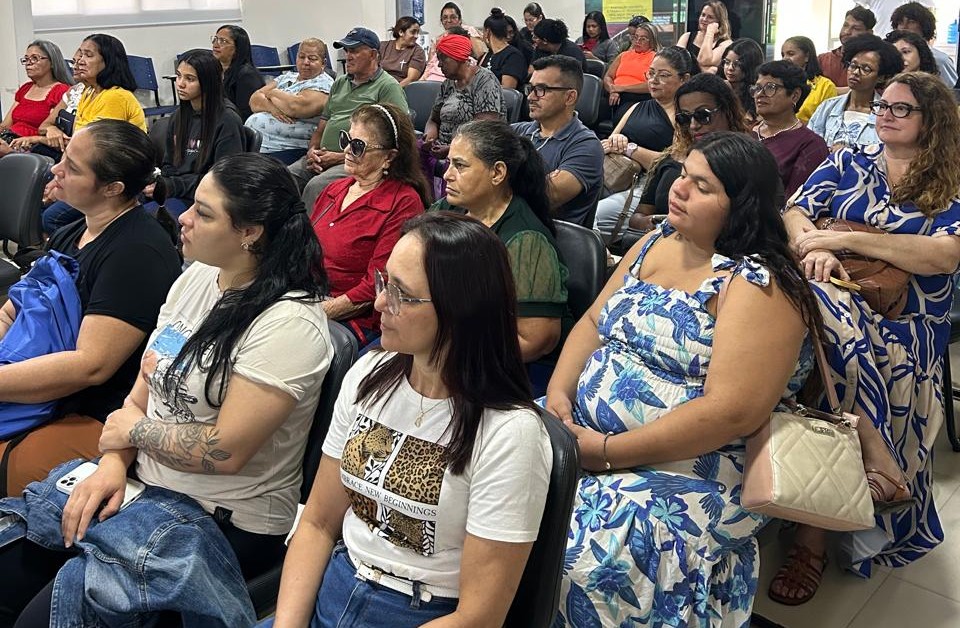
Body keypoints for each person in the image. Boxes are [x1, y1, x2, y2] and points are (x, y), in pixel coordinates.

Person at [0, 151, 332, 626]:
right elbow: (143, 391)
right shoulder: (197, 277)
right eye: (192, 205)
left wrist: (131, 435)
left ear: (250, 232)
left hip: (221, 517)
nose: (184, 219)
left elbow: (224, 451)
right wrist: (113, 464)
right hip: (142, 483)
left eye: (204, 212)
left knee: (46, 615)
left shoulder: (290, 324)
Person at [545, 131, 816, 626]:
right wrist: (559, 397)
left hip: (696, 462)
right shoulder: (656, 241)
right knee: (494, 471)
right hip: (585, 432)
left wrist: (604, 452)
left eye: (702, 186)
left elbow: (732, 411)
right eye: (682, 175)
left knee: (591, 546)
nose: (679, 190)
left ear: (742, 207)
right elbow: (592, 323)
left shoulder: (759, 282)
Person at [268, 211, 551, 628]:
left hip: (420, 612)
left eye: (401, 293)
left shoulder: (511, 433)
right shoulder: (368, 375)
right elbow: (318, 523)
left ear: (460, 310)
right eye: (385, 283)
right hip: (338, 581)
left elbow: (479, 616)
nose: (380, 302)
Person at [774, 71, 960, 605]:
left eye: (901, 109)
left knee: (845, 359)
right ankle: (804, 483)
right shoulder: (848, 161)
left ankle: (812, 537)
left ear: (932, 120)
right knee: (812, 334)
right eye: (883, 104)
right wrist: (814, 244)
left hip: (911, 321)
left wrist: (845, 236)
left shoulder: (949, 182)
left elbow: (943, 255)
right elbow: (794, 210)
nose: (884, 113)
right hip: (831, 293)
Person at [0, 120, 181, 503]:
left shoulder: (137, 252)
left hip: (92, 407)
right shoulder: (73, 231)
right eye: (63, 158)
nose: (55, 169)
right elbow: (13, 311)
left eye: (73, 167)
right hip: (37, 380)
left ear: (113, 189)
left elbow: (91, 366)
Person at [432, 121, 571, 368]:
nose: (447, 174)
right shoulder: (448, 208)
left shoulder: (527, 240)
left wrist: (452, 356)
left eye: (460, 165)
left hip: (501, 365)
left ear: (497, 173)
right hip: (446, 339)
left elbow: (537, 340)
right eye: (449, 163)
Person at [311, 103, 429, 346]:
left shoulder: (403, 202)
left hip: (354, 319)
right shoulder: (334, 190)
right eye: (346, 140)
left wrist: (316, 312)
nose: (346, 150)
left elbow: (378, 285)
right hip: (309, 298)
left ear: (389, 157)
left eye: (358, 146)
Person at [614, 73, 749, 252]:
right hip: (663, 248)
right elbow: (638, 216)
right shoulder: (670, 159)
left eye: (703, 115)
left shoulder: (749, 160)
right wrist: (651, 222)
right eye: (684, 118)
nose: (693, 125)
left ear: (727, 111)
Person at [287, 27, 407, 211]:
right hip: (322, 156)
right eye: (347, 50)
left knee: (316, 187)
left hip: (357, 161)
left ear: (373, 54)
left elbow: (398, 137)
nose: (348, 55)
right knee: (285, 178)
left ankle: (310, 238)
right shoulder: (339, 83)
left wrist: (340, 157)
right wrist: (312, 151)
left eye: (355, 51)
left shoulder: (388, 86)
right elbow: (322, 126)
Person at [594, 47, 694, 238]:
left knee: (595, 217)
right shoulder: (637, 107)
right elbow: (606, 144)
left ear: (684, 79)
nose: (654, 80)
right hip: (612, 175)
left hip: (644, 186)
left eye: (663, 75)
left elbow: (671, 165)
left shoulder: (684, 117)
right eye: (651, 73)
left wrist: (630, 149)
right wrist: (615, 141)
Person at [12, 34, 145, 162]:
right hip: (89, 160)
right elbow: (78, 143)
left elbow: (94, 148)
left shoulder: (116, 96)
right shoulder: (88, 92)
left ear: (108, 62)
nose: (79, 61)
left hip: (116, 167)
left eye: (88, 55)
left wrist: (36, 139)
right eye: (80, 55)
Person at [149, 49, 244, 219]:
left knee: (148, 220)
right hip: (177, 191)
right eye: (178, 76)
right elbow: (168, 164)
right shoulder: (179, 115)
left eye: (189, 79)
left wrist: (172, 186)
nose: (180, 84)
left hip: (204, 199)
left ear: (208, 82)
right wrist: (159, 184)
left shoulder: (227, 120)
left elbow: (222, 180)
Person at [513, 55, 604, 228]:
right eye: (531, 88)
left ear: (569, 97)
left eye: (541, 89)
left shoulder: (586, 145)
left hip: (549, 242)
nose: (531, 97)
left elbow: (541, 198)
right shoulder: (516, 131)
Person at [247, 38, 334, 165]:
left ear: (323, 63)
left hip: (287, 148)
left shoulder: (324, 84)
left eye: (312, 58)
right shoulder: (288, 77)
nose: (306, 62)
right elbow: (254, 100)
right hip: (260, 145)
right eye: (301, 57)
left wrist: (272, 93)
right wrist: (272, 108)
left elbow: (295, 107)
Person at [808, 34, 903, 150]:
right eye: (853, 66)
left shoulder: (885, 114)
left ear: (881, 77)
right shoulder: (827, 107)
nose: (856, 72)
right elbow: (809, 147)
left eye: (866, 69)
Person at [751, 60, 828, 198]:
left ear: (794, 95)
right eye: (757, 88)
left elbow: (795, 203)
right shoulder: (746, 132)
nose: (759, 94)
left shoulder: (811, 145)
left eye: (770, 88)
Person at [0, 41, 72, 158]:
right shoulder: (25, 88)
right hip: (9, 140)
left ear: (52, 62)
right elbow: (5, 126)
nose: (28, 63)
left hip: (32, 148)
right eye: (26, 59)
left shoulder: (61, 90)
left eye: (35, 58)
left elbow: (55, 136)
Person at [603, 20, 660, 123]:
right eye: (635, 37)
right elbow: (608, 77)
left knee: (621, 116)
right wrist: (613, 89)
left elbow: (652, 85)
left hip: (637, 98)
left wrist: (622, 88)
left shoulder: (656, 58)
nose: (637, 41)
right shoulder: (623, 55)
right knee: (593, 110)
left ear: (651, 41)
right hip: (614, 94)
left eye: (643, 39)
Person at [890, 1, 958, 86]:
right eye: (900, 22)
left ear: (924, 26)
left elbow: (952, 92)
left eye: (911, 22)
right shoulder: (889, 55)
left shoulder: (940, 60)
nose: (904, 27)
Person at [421, 3, 486, 81]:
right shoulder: (437, 40)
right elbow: (430, 65)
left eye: (453, 17)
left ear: (460, 19)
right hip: (435, 76)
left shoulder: (469, 32)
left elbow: (480, 56)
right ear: (441, 21)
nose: (448, 20)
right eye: (445, 18)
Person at [212, 24, 264, 121]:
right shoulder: (216, 71)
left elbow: (245, 114)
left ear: (237, 48)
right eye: (215, 39)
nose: (215, 45)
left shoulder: (247, 75)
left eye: (223, 41)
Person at [818, 5, 876, 89]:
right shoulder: (822, 60)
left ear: (869, 33)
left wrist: (829, 92)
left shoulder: (873, 63)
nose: (847, 32)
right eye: (845, 25)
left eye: (856, 28)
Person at [782, 36, 837, 123]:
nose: (785, 58)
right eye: (783, 55)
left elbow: (827, 122)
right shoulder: (778, 82)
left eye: (791, 54)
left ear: (807, 56)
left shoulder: (825, 86)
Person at [677, 1, 733, 73]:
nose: (704, 19)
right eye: (703, 15)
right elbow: (676, 63)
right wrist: (707, 69)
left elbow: (703, 60)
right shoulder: (686, 37)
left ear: (719, 22)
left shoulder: (726, 44)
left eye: (710, 17)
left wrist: (710, 33)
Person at [479, 8, 527, 90]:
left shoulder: (513, 56)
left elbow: (507, 90)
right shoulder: (488, 55)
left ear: (488, 32)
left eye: (483, 31)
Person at [720, 38, 764, 125]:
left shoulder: (759, 93)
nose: (730, 68)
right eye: (727, 62)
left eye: (737, 64)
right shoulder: (720, 86)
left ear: (750, 65)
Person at [380, 17, 427, 87]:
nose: (416, 36)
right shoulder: (383, 46)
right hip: (379, 87)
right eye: (413, 32)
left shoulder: (418, 52)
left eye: (417, 32)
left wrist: (392, 91)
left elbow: (411, 79)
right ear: (401, 32)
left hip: (400, 90)